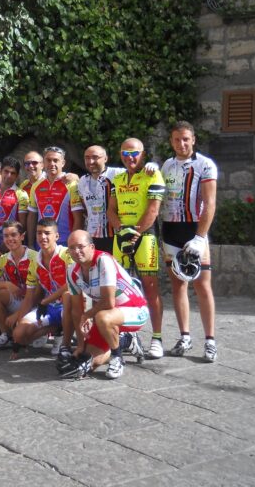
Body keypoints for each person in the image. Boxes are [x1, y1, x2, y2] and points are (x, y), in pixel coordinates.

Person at [161, 121, 219, 362]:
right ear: (171, 141)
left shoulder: (205, 165)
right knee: (178, 286)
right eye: (176, 139)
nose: (181, 144)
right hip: (171, 229)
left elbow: (210, 203)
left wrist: (199, 237)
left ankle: (210, 341)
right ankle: (185, 336)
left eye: (185, 139)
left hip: (194, 230)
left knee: (202, 286)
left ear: (193, 139)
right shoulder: (166, 165)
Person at [62, 230, 148, 379]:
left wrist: (88, 315)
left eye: (81, 246)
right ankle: (126, 340)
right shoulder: (72, 271)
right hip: (110, 313)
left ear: (92, 247)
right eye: (72, 248)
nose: (76, 251)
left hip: (135, 309)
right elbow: (77, 312)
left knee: (102, 317)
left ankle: (117, 357)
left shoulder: (103, 260)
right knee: (90, 362)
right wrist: (81, 346)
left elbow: (108, 302)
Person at [107, 138, 165, 359]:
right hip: (121, 235)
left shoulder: (152, 175)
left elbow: (153, 210)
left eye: (134, 153)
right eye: (125, 153)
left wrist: (135, 233)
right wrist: (121, 230)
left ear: (143, 154)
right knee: (117, 289)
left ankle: (157, 337)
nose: (130, 158)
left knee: (150, 287)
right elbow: (111, 209)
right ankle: (122, 336)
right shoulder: (118, 178)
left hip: (145, 236)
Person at [78, 146, 159, 254]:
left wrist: (153, 166)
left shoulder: (117, 173)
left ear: (105, 158)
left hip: (116, 234)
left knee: (117, 269)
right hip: (92, 236)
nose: (90, 161)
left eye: (95, 157)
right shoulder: (82, 181)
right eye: (87, 158)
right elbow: (84, 208)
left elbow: (138, 171)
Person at [9, 218, 72, 357]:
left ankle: (66, 344)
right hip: (50, 308)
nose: (42, 237)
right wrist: (19, 322)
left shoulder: (67, 255)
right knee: (19, 334)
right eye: (39, 233)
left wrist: (45, 301)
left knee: (67, 295)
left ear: (57, 236)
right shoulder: (35, 261)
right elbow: (29, 296)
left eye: (47, 233)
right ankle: (57, 329)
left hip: (71, 306)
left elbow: (73, 284)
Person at [0, 221, 36, 350]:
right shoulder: (3, 259)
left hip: (34, 303)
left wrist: (18, 314)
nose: (10, 239)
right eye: (6, 236)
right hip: (19, 300)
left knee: (25, 338)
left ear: (22, 236)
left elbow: (39, 293)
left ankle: (37, 332)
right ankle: (5, 335)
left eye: (13, 235)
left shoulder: (35, 257)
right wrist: (7, 284)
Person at [26, 146, 83, 249]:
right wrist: (30, 244)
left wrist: (73, 244)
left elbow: (78, 218)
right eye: (48, 160)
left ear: (63, 163)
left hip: (64, 242)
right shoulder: (36, 186)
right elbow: (32, 216)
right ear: (43, 163)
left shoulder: (71, 184)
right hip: (41, 243)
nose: (52, 163)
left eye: (56, 160)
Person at [0, 156, 28, 250]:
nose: (9, 175)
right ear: (1, 171)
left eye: (13, 173)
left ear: (17, 176)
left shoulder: (21, 194)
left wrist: (8, 241)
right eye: (6, 171)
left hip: (9, 242)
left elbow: (22, 224)